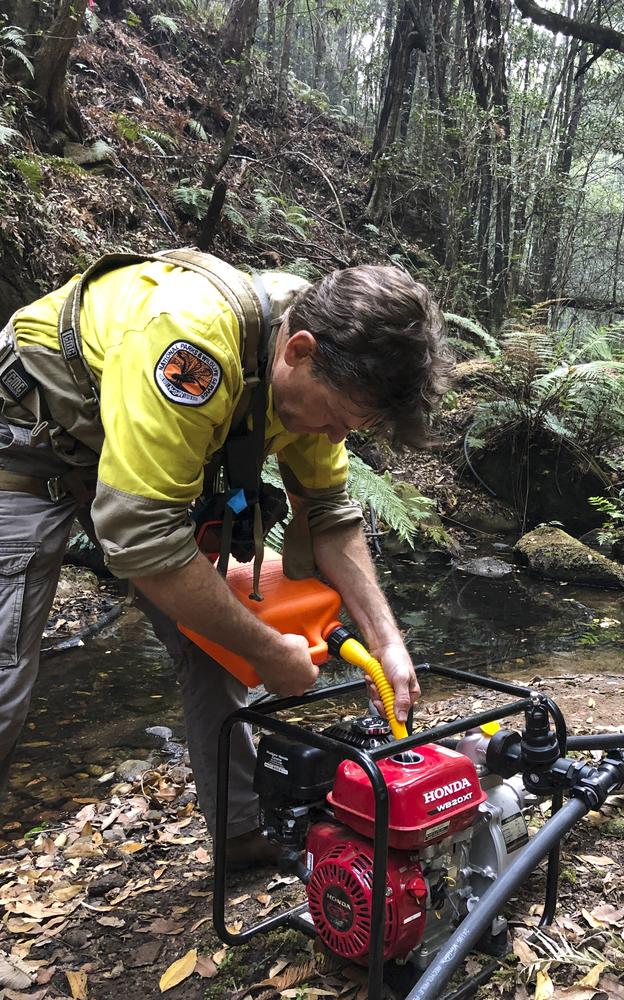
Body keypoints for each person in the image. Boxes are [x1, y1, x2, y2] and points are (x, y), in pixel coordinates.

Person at [0, 250, 451, 864]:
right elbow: (144, 537)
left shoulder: (316, 364)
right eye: (340, 419)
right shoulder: (191, 349)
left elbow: (330, 514)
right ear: (299, 351)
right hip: (28, 446)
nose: (339, 438)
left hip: (136, 461)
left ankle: (240, 833)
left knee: (218, 648)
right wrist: (269, 651)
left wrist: (387, 642)